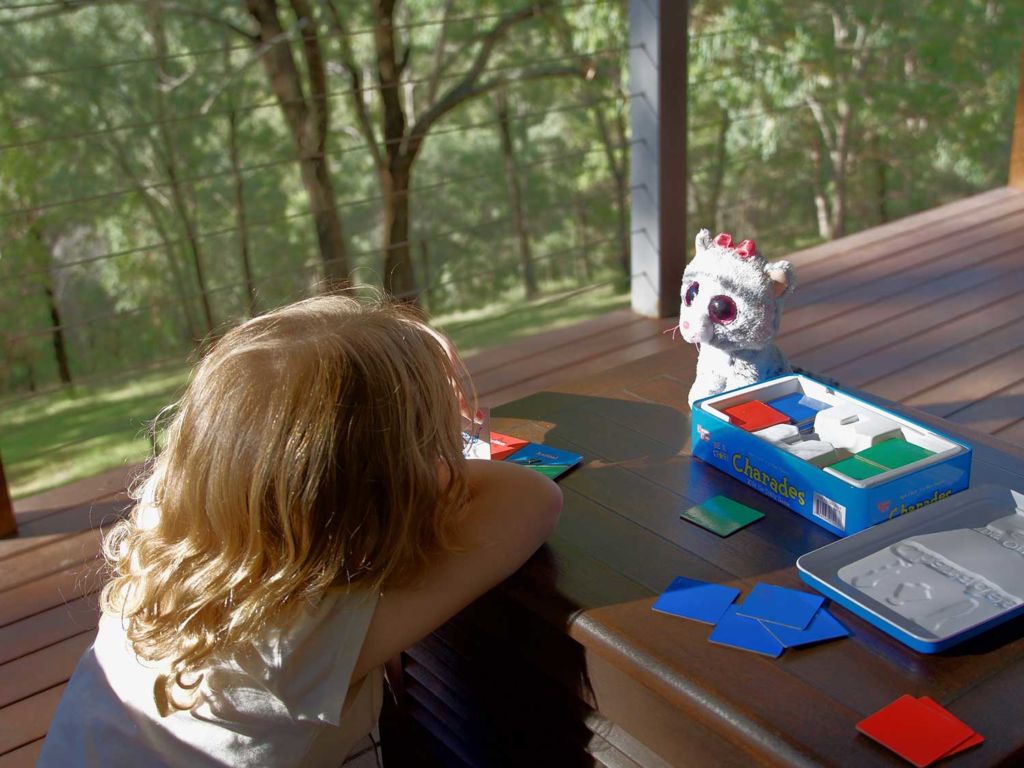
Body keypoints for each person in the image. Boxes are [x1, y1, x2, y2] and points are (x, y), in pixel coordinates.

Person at [39, 295, 563, 767]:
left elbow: (275, 398)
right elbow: (533, 497)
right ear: (389, 486)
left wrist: (410, 359)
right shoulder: (301, 638)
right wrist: (427, 446)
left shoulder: (170, 520)